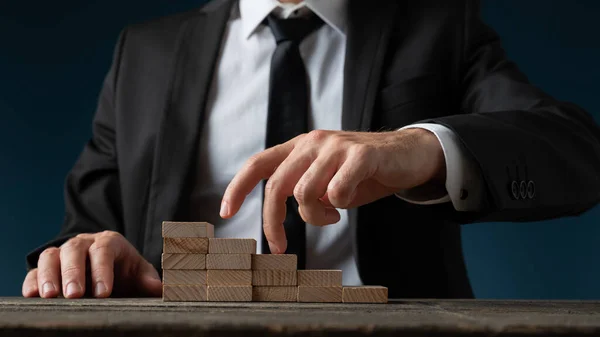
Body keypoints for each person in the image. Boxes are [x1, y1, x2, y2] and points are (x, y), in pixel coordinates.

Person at [22, 0, 600, 299]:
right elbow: (86, 231)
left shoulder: (439, 28)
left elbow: (577, 151)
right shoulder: (144, 52)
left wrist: (421, 146)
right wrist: (85, 253)